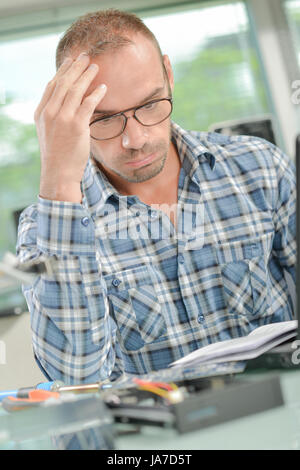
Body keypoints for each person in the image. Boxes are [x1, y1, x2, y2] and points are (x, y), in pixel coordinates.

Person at [17, 9, 296, 385]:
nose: (136, 140)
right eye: (104, 119)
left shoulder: (260, 168)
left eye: (149, 105)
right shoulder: (44, 230)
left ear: (169, 74)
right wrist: (59, 177)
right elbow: (76, 384)